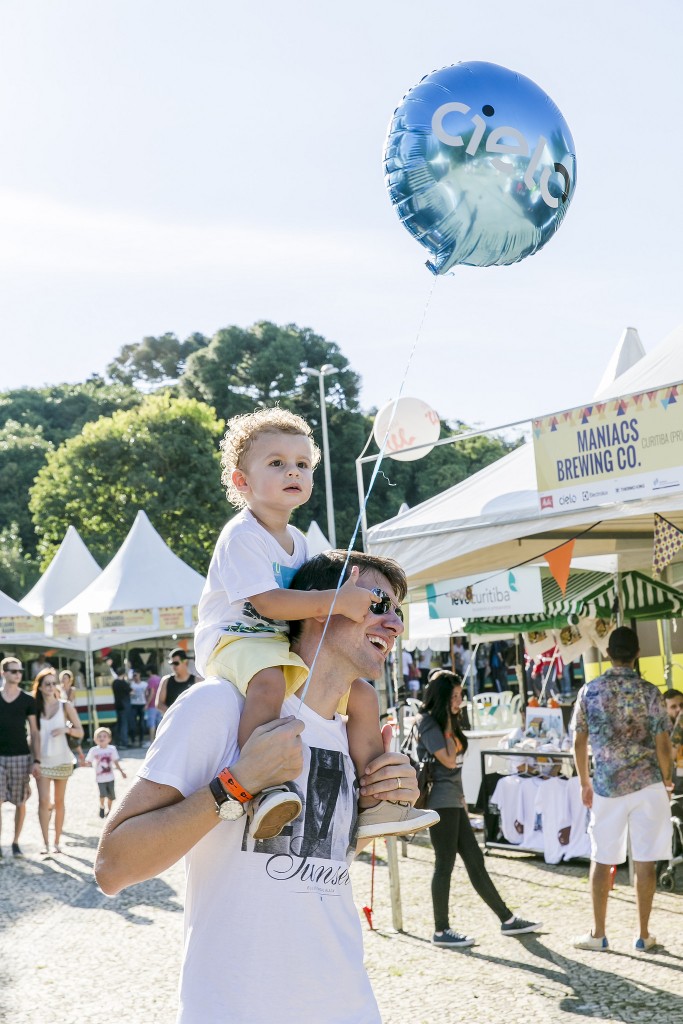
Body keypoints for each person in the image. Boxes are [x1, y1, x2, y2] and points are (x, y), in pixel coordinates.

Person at [95, 549, 424, 1023]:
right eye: (376, 603)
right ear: (318, 606)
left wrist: (389, 799)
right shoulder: (218, 708)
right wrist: (237, 784)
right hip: (236, 1008)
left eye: (397, 611)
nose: (393, 624)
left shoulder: (354, 733)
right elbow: (112, 867)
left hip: (347, 1004)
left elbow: (315, 863)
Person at [193, 407, 432, 841]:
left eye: (303, 464)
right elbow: (268, 603)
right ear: (241, 482)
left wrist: (336, 599)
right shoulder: (242, 535)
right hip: (236, 639)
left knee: (360, 693)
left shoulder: (299, 541)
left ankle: (376, 800)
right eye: (277, 462)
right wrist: (336, 601)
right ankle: (263, 786)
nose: (294, 471)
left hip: (274, 640)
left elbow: (303, 602)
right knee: (268, 681)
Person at [416, 670, 540, 947]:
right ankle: (441, 931)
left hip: (452, 801)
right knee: (444, 865)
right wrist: (448, 720)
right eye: (456, 696)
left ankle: (507, 919)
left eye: (461, 695)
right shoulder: (428, 723)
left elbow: (455, 768)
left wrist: (462, 802)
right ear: (443, 697)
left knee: (474, 861)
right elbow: (448, 760)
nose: (460, 701)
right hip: (438, 803)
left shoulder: (446, 721)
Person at [571, 626, 673, 953]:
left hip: (606, 784)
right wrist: (668, 780)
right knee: (645, 859)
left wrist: (584, 781)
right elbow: (663, 742)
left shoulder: (590, 691)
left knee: (602, 857)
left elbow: (578, 741)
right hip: (648, 782)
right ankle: (643, 934)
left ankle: (598, 934)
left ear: (606, 654)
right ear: (638, 654)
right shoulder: (650, 692)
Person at [32, 666, 84, 855]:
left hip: (62, 760)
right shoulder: (35, 708)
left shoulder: (65, 706)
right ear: (40, 686)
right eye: (47, 684)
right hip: (42, 761)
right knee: (43, 801)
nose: (51, 686)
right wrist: (34, 760)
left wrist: (66, 730)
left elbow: (80, 731)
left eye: (54, 683)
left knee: (59, 802)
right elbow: (32, 734)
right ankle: (45, 843)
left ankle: (56, 842)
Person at [0, 657, 41, 857]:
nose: (18, 674)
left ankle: (15, 842)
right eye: (13, 671)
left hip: (21, 756)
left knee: (20, 802)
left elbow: (34, 732)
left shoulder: (27, 700)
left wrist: (36, 760)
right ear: (3, 673)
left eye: (20, 671)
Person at [85, 727, 127, 818]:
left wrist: (121, 772)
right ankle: (102, 806)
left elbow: (115, 762)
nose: (102, 738)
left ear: (109, 739)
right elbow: (88, 761)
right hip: (100, 778)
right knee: (102, 794)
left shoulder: (112, 749)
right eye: (99, 736)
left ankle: (109, 810)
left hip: (110, 777)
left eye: (104, 736)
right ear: (95, 739)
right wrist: (85, 763)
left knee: (111, 796)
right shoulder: (94, 750)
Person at [156, 649, 196, 715]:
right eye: (171, 663)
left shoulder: (197, 680)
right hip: (171, 721)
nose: (173, 666)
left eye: (176, 663)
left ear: (185, 662)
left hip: (191, 720)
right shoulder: (166, 680)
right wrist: (173, 714)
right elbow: (159, 703)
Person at [58, 669, 86, 766]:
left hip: (70, 715)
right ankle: (77, 754)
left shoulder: (72, 690)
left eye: (65, 678)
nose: (63, 680)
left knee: (73, 735)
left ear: (69, 679)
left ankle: (80, 753)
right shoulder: (58, 689)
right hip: (62, 715)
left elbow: (68, 702)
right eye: (62, 678)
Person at [112, 666, 131, 748]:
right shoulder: (124, 683)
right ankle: (124, 742)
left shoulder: (114, 682)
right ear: (123, 674)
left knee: (119, 724)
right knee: (124, 724)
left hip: (117, 704)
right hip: (124, 705)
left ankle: (117, 741)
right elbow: (131, 692)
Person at [144, 668, 162, 742]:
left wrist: (147, 704)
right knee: (159, 723)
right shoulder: (160, 679)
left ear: (150, 671)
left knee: (152, 724)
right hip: (159, 704)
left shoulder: (151, 680)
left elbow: (152, 692)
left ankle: (152, 740)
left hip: (152, 705)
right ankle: (160, 740)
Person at [129, 671, 147, 746]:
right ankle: (133, 740)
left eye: (136, 675)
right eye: (134, 676)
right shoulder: (131, 684)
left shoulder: (144, 684)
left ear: (139, 675)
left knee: (141, 723)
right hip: (133, 705)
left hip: (142, 704)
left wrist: (147, 704)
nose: (135, 677)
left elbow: (147, 694)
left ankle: (141, 740)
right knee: (133, 723)